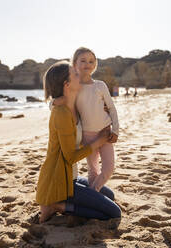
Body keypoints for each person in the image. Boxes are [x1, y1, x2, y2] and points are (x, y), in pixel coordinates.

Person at [36, 61, 121, 223]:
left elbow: (91, 107)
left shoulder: (73, 105)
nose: (79, 75)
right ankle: (59, 206)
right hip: (59, 180)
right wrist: (100, 141)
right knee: (114, 212)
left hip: (71, 175)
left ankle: (66, 203)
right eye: (75, 74)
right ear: (67, 85)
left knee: (109, 194)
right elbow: (70, 157)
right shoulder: (61, 113)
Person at [52, 47, 119, 193]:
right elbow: (60, 102)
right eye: (83, 60)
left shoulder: (100, 85)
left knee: (108, 168)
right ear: (74, 63)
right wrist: (53, 103)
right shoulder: (74, 88)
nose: (87, 64)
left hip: (106, 132)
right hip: (87, 136)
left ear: (95, 65)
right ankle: (95, 194)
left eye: (91, 61)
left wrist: (116, 130)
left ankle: (93, 193)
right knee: (92, 170)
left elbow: (112, 109)